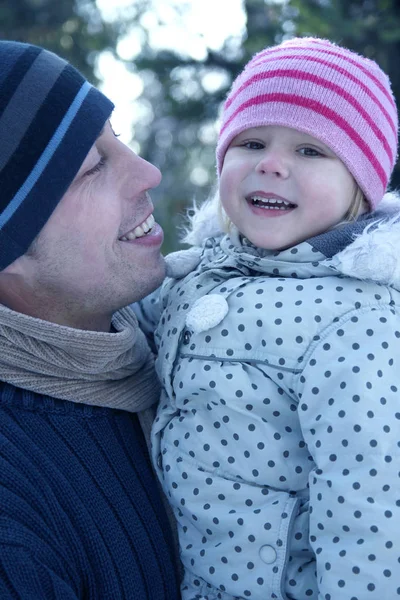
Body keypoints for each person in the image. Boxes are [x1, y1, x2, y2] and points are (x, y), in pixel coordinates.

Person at [136, 37, 400, 599]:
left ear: (360, 185)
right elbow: (117, 323)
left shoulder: (358, 320)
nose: (272, 165)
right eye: (252, 142)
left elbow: (371, 507)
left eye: (311, 151)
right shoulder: (196, 274)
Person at [0, 41, 180, 598]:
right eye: (92, 167)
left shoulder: (185, 336)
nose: (146, 172)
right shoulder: (15, 512)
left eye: (117, 138)